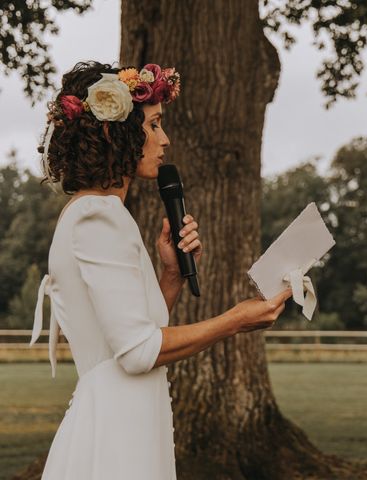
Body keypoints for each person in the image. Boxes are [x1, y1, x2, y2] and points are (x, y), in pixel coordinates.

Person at [30, 61, 291, 480]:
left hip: (131, 413)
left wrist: (169, 275)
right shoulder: (98, 217)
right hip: (116, 431)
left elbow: (135, 333)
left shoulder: (100, 212)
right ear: (117, 134)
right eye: (153, 126)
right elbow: (137, 353)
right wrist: (235, 320)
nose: (164, 140)